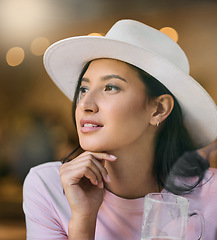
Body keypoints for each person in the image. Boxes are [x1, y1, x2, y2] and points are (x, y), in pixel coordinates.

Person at [23, 19, 217, 240]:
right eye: (84, 89)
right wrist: (83, 219)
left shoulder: (212, 195)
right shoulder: (48, 186)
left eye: (110, 87)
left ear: (159, 109)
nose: (85, 104)